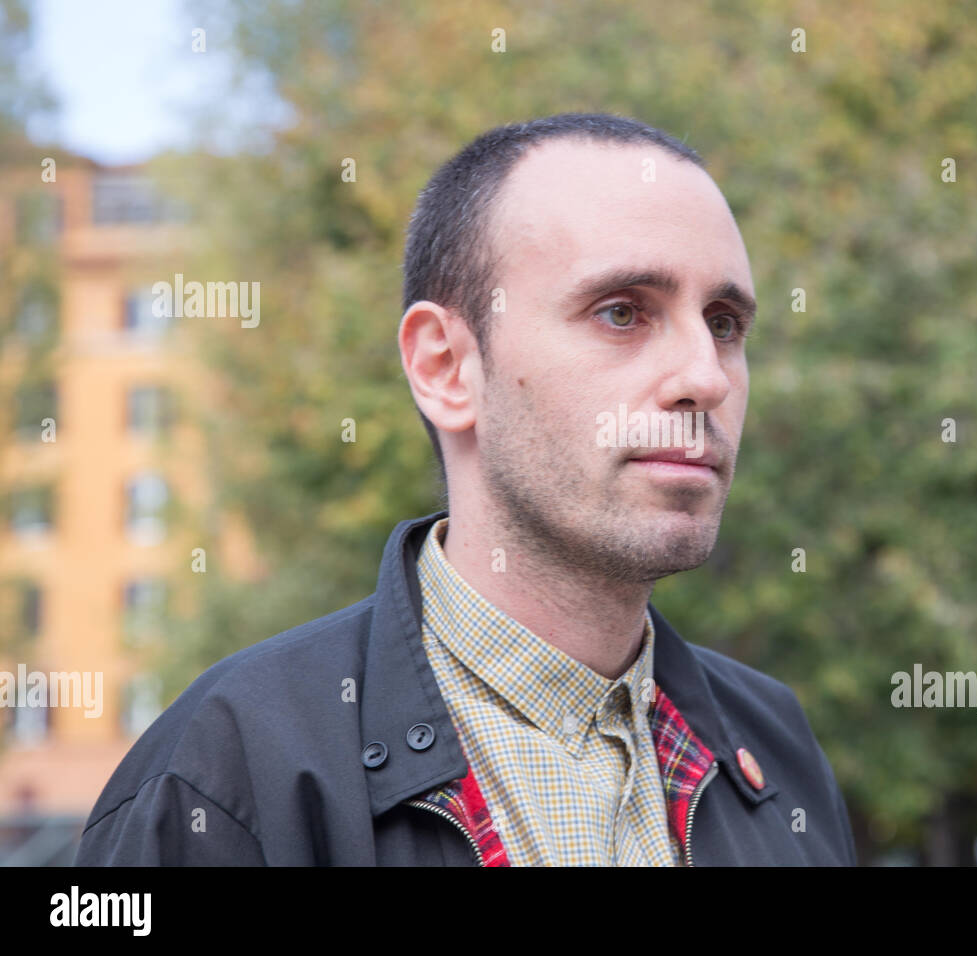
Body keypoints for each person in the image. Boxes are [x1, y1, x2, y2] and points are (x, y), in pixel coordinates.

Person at [74, 112, 857, 866]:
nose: (705, 376)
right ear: (446, 368)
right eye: (622, 312)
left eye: (724, 323)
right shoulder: (227, 775)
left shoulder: (773, 749)